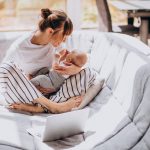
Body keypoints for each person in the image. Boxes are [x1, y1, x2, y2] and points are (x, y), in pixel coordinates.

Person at [0, 8, 83, 113]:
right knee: (6, 68)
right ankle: (54, 106)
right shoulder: (20, 47)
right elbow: (3, 79)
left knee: (87, 71)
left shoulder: (57, 45)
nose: (64, 40)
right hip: (24, 94)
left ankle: (43, 107)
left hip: (48, 90)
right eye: (63, 36)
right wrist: (31, 86)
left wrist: (73, 69)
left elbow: (75, 63)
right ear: (50, 31)